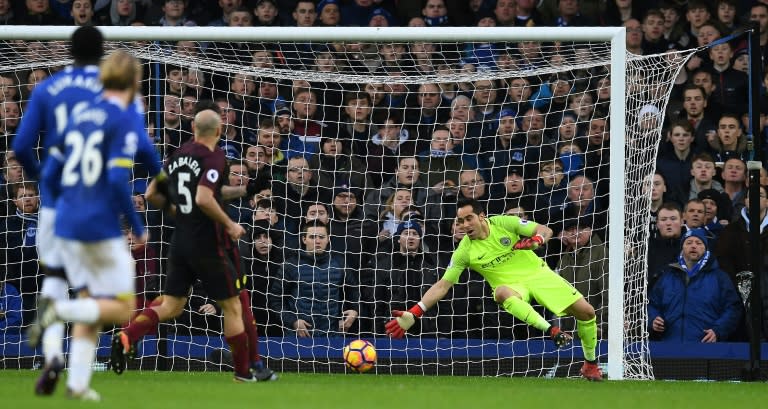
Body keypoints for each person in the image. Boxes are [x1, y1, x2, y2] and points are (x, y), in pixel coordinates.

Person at [12, 26, 161, 397]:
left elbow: (22, 145)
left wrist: (46, 183)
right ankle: (77, 376)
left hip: (57, 203)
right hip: (98, 209)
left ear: (68, 50)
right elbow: (140, 151)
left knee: (55, 279)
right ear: (103, 52)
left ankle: (53, 360)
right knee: (98, 297)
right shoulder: (117, 90)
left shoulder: (49, 87)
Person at [111, 103, 277, 383]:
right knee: (233, 306)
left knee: (171, 305)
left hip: (181, 240)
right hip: (210, 242)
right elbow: (203, 197)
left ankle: (128, 335)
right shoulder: (214, 155)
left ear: (193, 129)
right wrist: (230, 224)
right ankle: (243, 372)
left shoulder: (177, 155)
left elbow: (151, 192)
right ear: (220, 129)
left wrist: (244, 190)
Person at [384, 198, 604, 381]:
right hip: (512, 287)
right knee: (500, 293)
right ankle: (551, 331)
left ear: (481, 217)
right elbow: (443, 285)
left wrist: (536, 241)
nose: (464, 225)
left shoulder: (504, 223)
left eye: (469, 218)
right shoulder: (464, 251)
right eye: (460, 221)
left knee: (587, 313)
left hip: (538, 275)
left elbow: (544, 230)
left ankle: (590, 364)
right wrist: (415, 311)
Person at [648, 228, 743, 342]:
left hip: (705, 348)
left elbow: (733, 308)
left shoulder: (720, 277)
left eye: (699, 243)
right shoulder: (667, 276)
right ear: (682, 248)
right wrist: (653, 319)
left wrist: (718, 330)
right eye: (689, 242)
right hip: (669, 346)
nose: (693, 246)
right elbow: (652, 304)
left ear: (705, 248)